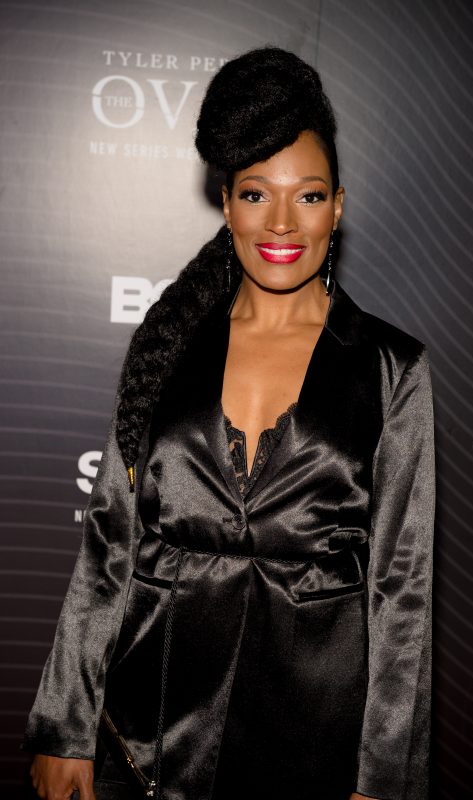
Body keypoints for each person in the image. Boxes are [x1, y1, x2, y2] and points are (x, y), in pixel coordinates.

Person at [23, 46, 435, 800]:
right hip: (147, 743)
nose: (281, 221)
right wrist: (66, 725)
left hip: (312, 753)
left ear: (338, 207)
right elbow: (111, 543)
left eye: (308, 196)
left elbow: (400, 588)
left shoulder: (391, 369)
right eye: (255, 193)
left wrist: (383, 779)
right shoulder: (167, 344)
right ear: (227, 202)